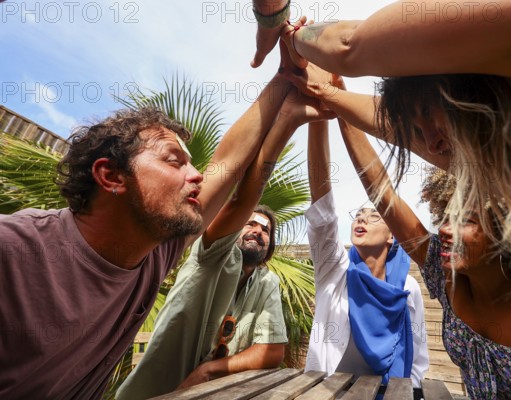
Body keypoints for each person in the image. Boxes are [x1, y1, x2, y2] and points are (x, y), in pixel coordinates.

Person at [0, 55, 299, 399]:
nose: (198, 175)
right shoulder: (14, 251)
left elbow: (228, 164)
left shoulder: (154, 250)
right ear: (111, 176)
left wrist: (284, 76)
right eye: (174, 161)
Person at [277, 2, 511, 305]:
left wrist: (290, 36)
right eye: (418, 131)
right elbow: (388, 136)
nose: (430, 146)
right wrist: (326, 91)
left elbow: (350, 46)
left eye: (431, 114)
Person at [327, 92, 511, 398]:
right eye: (445, 216)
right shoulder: (448, 277)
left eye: (467, 221)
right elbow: (384, 193)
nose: (445, 229)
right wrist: (336, 100)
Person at [116, 88, 333, 399]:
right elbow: (238, 201)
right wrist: (286, 119)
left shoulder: (265, 281)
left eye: (266, 230)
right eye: (251, 224)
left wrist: (210, 370)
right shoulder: (214, 255)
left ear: (269, 250)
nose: (258, 230)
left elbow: (273, 350)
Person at [304, 113, 429, 397]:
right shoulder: (335, 273)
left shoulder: (408, 289)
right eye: (358, 215)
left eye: (374, 216)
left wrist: (408, 392)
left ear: (391, 235)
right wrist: (317, 118)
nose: (360, 219)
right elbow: (323, 214)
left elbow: (418, 354)